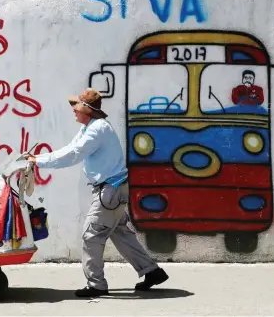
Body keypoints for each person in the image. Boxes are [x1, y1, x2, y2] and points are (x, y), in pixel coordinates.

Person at [24, 88, 169, 298]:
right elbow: (70, 148)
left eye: (76, 107)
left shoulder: (96, 130)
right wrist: (38, 158)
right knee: (120, 233)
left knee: (90, 236)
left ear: (87, 110)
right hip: (113, 190)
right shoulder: (90, 128)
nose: (73, 110)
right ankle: (152, 272)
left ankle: (97, 284)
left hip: (109, 191)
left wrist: (39, 161)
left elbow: (73, 154)